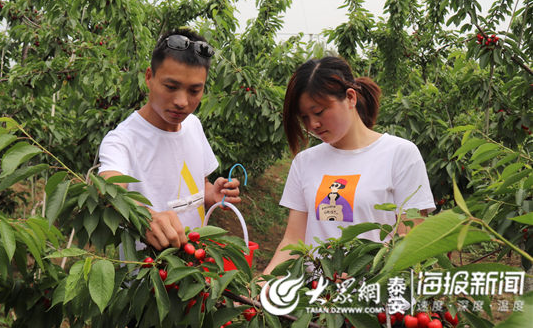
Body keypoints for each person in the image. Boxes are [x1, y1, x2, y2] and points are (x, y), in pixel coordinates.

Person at [263, 56, 435, 274]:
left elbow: (411, 238)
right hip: (318, 299)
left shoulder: (399, 154)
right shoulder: (305, 163)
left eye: (318, 112)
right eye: (304, 117)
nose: (312, 125)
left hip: (377, 299)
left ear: (350, 97)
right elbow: (293, 240)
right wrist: (264, 283)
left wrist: (359, 273)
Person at [98, 28, 241, 251]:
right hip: (148, 275)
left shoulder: (193, 125)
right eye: (171, 87)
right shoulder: (122, 140)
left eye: (194, 90)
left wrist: (212, 193)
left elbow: (198, 184)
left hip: (194, 266)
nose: (182, 102)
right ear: (149, 77)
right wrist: (144, 216)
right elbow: (107, 187)